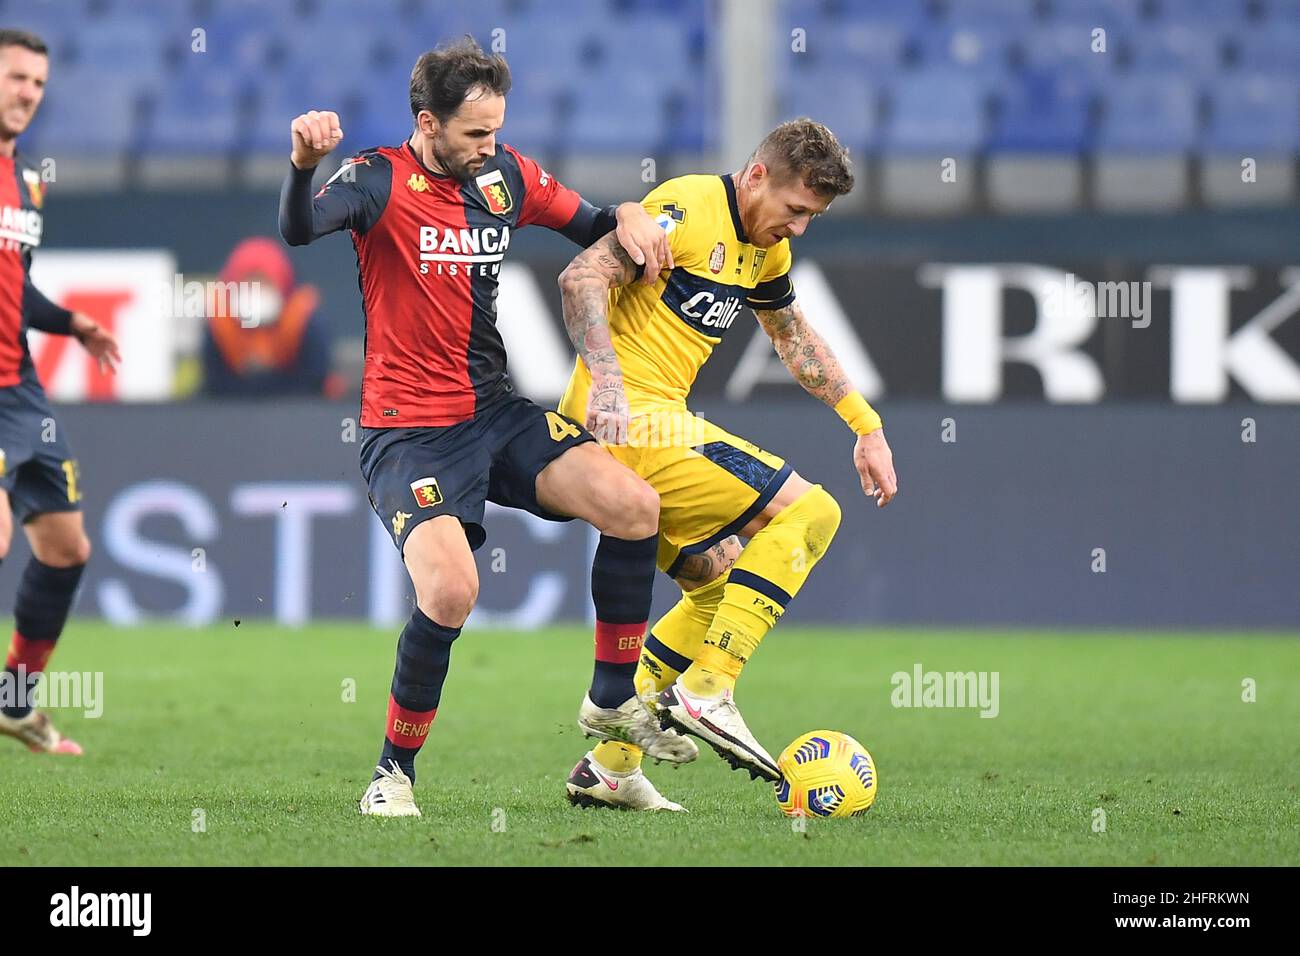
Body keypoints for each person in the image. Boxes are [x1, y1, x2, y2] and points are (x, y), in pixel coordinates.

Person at [279, 37, 694, 816]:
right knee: (451, 590)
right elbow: (299, 231)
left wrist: (633, 213)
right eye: (475, 133)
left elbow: (594, 222)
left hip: (494, 412)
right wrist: (302, 164)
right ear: (427, 123)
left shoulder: (505, 178)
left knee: (636, 507)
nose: (490, 147)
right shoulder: (374, 180)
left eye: (497, 130)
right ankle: (391, 775)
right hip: (407, 433)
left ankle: (610, 700)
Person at [556, 118, 898, 808]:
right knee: (812, 510)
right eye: (797, 210)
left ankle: (612, 766)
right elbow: (580, 275)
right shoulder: (682, 211)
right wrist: (611, 381)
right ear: (756, 177)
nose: (800, 228)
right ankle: (709, 689)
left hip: (650, 427)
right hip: (631, 423)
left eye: (814, 218)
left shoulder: (766, 253)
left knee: (718, 588)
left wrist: (866, 426)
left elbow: (793, 335)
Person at [0, 30, 121, 755]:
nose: (27, 93)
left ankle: (14, 700)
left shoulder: (26, 181)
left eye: (38, 84)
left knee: (66, 547)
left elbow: (17, 287)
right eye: (15, 77)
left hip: (19, 389)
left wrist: (73, 321)